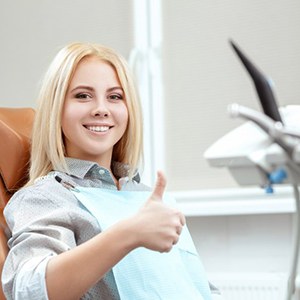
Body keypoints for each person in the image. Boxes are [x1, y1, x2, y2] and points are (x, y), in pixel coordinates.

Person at [1, 43, 221, 300]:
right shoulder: (47, 196)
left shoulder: (146, 197)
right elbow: (29, 290)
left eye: (115, 97)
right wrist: (128, 233)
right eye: (83, 95)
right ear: (56, 108)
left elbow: (199, 288)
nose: (101, 109)